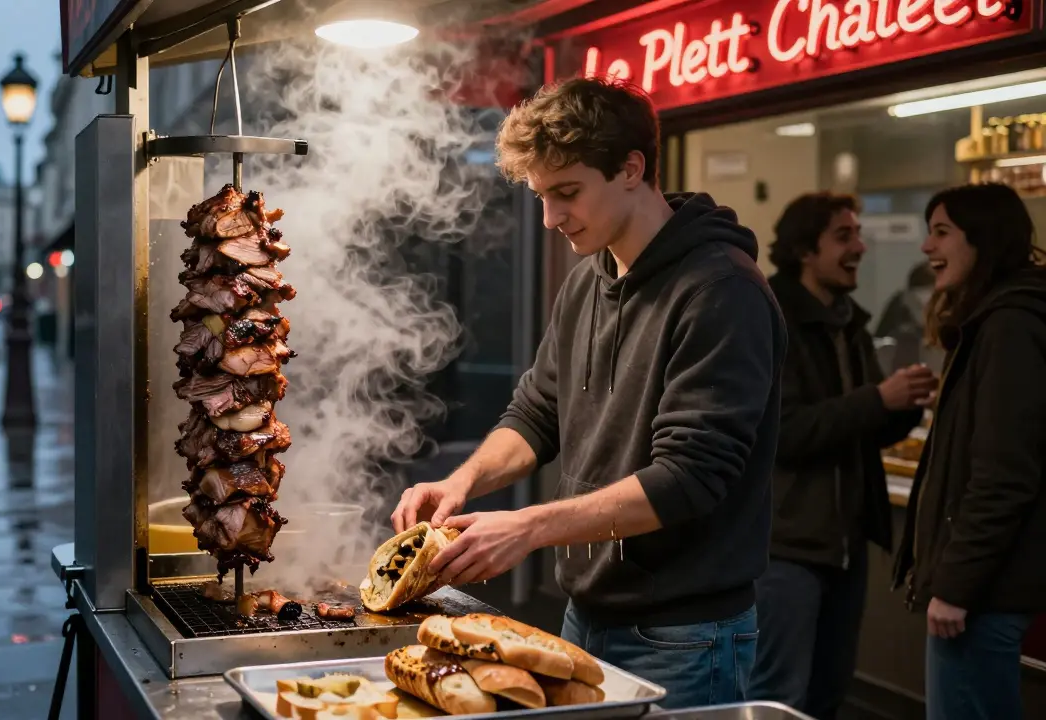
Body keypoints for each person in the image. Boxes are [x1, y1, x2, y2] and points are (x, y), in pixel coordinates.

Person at [389, 77, 787, 709]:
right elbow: (536, 414)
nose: (550, 218)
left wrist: (526, 527)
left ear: (632, 169)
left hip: (684, 635)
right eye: (541, 195)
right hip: (584, 614)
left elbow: (691, 476)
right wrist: (464, 483)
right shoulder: (587, 281)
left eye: (567, 193)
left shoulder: (720, 290)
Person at [749, 193, 936, 719]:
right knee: (778, 697)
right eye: (844, 236)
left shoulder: (847, 321)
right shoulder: (772, 317)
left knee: (829, 694)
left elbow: (856, 429)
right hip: (786, 549)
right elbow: (784, 434)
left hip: (843, 545)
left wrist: (905, 404)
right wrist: (880, 398)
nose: (861, 246)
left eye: (857, 234)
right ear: (807, 250)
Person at [892, 182, 1046, 720]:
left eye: (941, 233)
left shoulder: (1008, 327)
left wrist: (956, 585)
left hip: (983, 597)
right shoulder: (996, 322)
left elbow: (1005, 475)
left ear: (983, 239)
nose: (927, 248)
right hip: (985, 590)